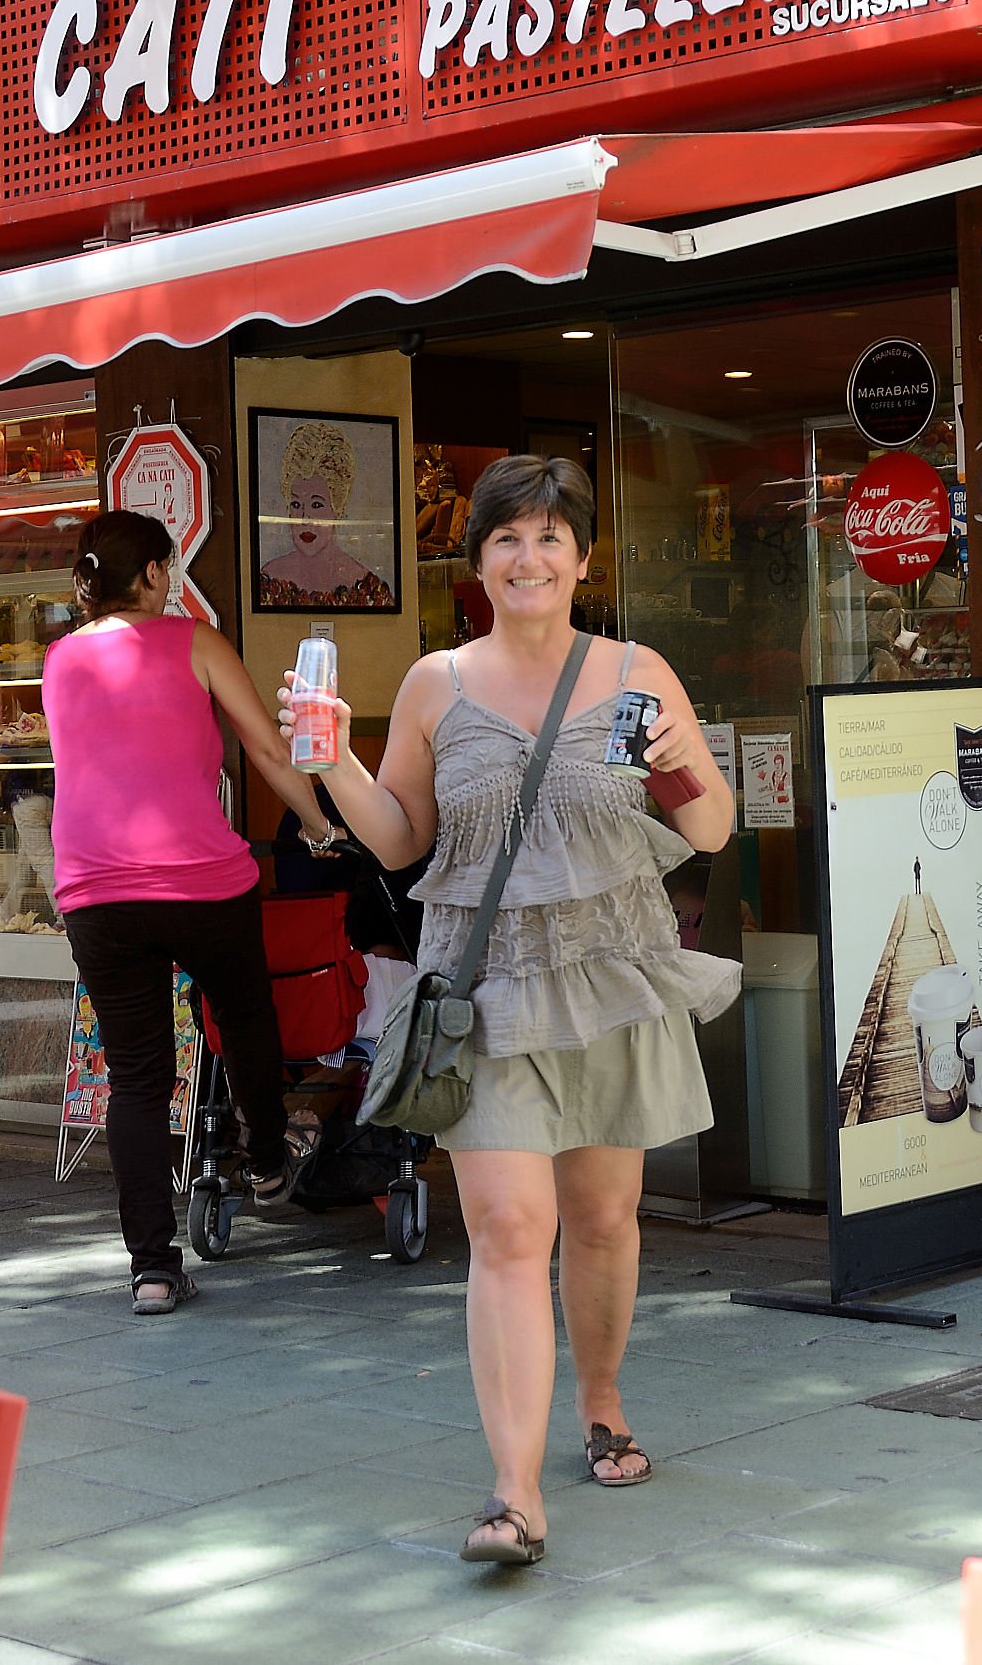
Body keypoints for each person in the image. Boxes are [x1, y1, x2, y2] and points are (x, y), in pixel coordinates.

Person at [293, 455, 740, 1567]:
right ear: (479, 560)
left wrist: (685, 762)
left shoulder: (638, 673)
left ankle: (601, 1398)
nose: (528, 557)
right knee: (505, 1226)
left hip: (611, 981)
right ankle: (514, 1493)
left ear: (583, 560)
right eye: (506, 537)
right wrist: (333, 761)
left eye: (549, 537)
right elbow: (401, 838)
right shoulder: (437, 683)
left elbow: (713, 830)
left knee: (602, 1218)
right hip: (483, 994)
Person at [46, 511, 339, 1314]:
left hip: (95, 892)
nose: (170, 580)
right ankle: (268, 1161)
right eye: (166, 567)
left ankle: (152, 1268)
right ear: (150, 574)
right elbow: (267, 749)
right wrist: (320, 828)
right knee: (244, 1015)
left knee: (137, 1078)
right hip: (200, 880)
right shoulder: (195, 641)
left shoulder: (60, 658)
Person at [256, 419, 395, 607]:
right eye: (296, 504)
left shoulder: (367, 589)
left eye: (316, 505)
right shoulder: (268, 581)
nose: (305, 519)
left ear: (338, 509)